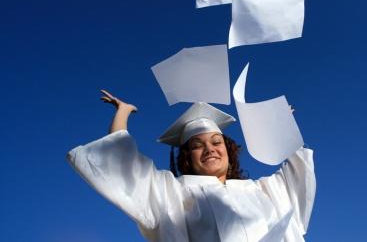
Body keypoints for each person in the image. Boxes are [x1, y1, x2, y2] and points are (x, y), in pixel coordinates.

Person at [67, 90, 316, 242]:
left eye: (217, 142)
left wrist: (281, 123)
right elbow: (121, 163)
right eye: (197, 145)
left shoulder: (262, 191)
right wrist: (122, 112)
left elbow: (298, 174)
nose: (209, 148)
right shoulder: (173, 193)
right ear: (187, 156)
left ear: (228, 151)